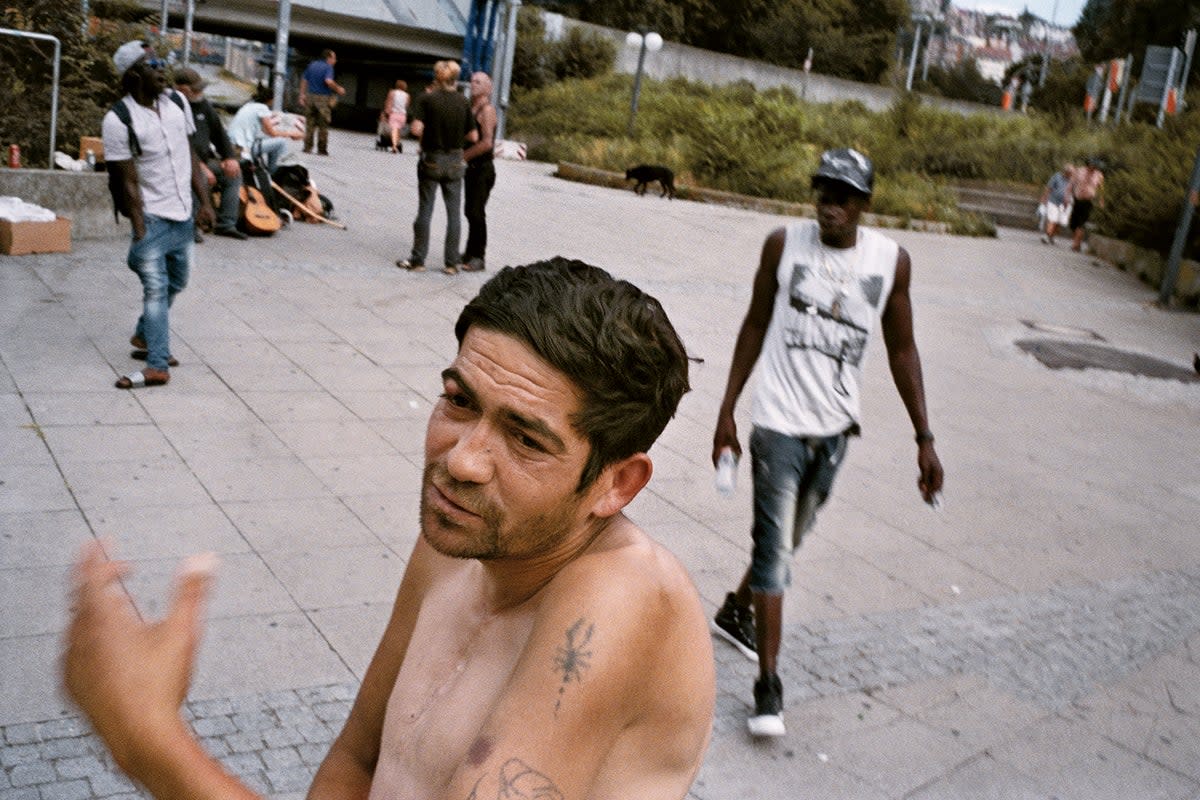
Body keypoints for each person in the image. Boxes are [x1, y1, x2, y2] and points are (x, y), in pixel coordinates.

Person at [62, 258, 716, 800]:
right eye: (459, 402)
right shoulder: (464, 541)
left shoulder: (623, 601)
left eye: (525, 439)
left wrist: (145, 736)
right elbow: (358, 760)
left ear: (616, 484)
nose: (460, 460)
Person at [710, 148, 944, 737]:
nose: (829, 206)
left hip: (837, 429)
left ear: (864, 203)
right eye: (822, 193)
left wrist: (925, 438)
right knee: (776, 553)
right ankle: (768, 685)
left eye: (842, 197)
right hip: (777, 423)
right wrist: (727, 411)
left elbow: (902, 349)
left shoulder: (892, 261)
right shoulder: (782, 245)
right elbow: (756, 322)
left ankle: (737, 609)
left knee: (787, 538)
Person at [102, 40, 215, 390]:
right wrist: (139, 229)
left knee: (178, 281)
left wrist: (206, 202)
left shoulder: (178, 103)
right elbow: (127, 182)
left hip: (183, 213)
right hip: (152, 216)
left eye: (163, 62)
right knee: (156, 288)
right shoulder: (118, 120)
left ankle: (143, 334)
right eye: (154, 64)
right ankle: (156, 364)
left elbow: (192, 157)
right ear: (134, 75)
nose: (163, 69)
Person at [396, 60, 477, 275]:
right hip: (455, 161)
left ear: (437, 77)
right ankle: (451, 263)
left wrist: (430, 132)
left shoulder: (427, 99)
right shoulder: (463, 101)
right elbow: (473, 135)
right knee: (454, 215)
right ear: (455, 78)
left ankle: (418, 260)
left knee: (425, 210)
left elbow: (415, 129)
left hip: (432, 159)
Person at [172, 67, 247, 241]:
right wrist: (200, 167)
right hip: (182, 162)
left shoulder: (204, 106)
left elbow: (219, 134)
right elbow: (181, 144)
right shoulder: (174, 108)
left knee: (233, 174)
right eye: (195, 89)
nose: (200, 92)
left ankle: (226, 223)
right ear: (181, 90)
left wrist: (229, 157)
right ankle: (189, 226)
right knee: (200, 178)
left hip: (203, 161)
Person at [462, 71, 498, 273]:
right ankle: (469, 251)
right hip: (471, 169)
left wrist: (463, 157)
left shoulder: (487, 110)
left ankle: (478, 256)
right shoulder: (471, 108)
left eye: (478, 82)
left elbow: (486, 143)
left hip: (482, 169)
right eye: (472, 81)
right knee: (469, 211)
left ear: (488, 88)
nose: (473, 84)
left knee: (476, 212)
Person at [227, 85, 304, 175]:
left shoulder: (249, 106)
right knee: (281, 143)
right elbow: (271, 132)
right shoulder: (262, 108)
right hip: (242, 149)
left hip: (232, 146)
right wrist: (292, 134)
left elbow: (264, 132)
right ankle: (274, 174)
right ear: (271, 99)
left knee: (273, 141)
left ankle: (271, 170)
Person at [299, 49, 346, 156]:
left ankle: (307, 147)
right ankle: (322, 149)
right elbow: (328, 81)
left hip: (310, 97)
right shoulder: (328, 67)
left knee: (309, 124)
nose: (335, 61)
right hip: (323, 98)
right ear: (328, 58)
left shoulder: (312, 65)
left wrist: (302, 95)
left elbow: (304, 80)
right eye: (334, 58)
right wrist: (338, 89)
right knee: (323, 125)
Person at [1068, 156, 1105, 252]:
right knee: (1073, 223)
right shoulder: (1079, 171)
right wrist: (1067, 196)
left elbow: (1101, 189)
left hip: (1088, 201)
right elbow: (1071, 184)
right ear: (1088, 164)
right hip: (1077, 199)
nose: (1093, 168)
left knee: (1081, 223)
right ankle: (1077, 241)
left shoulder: (1099, 175)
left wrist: (1101, 200)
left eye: (1095, 166)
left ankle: (1075, 244)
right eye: (1092, 165)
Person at [1039, 162, 1073, 246]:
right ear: (1065, 171)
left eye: (1071, 173)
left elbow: (1074, 192)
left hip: (1065, 204)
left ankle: (1052, 236)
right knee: (1052, 219)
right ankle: (1047, 236)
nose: (1070, 174)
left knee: (1060, 222)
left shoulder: (1073, 180)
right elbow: (1049, 187)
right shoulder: (1057, 176)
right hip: (1053, 201)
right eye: (1068, 172)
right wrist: (1044, 198)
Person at [385, 79, 409, 153]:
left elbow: (389, 103)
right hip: (402, 115)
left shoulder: (392, 92)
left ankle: (394, 146)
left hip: (394, 113)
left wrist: (387, 112)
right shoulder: (407, 95)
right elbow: (406, 105)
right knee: (398, 130)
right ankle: (397, 143)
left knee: (394, 129)